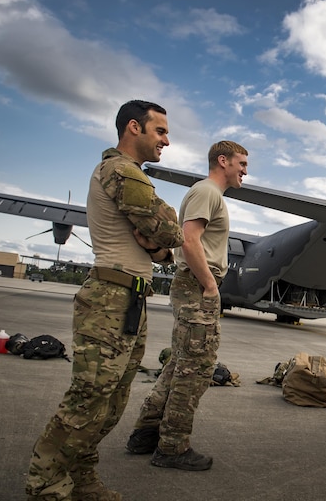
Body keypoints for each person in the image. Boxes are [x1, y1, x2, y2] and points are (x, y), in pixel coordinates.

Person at [26, 100, 184, 501]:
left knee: (112, 402)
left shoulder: (132, 175)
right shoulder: (120, 170)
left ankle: (81, 478)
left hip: (132, 298)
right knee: (88, 397)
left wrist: (160, 247)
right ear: (134, 127)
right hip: (110, 298)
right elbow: (167, 229)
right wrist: (163, 241)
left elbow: (163, 245)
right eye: (160, 130)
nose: (167, 139)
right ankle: (44, 485)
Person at [126, 140, 249, 471]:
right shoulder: (208, 192)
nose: (245, 170)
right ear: (222, 161)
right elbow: (190, 240)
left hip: (191, 285)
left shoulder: (208, 193)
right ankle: (172, 446)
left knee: (180, 364)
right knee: (196, 370)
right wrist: (210, 284)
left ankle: (146, 432)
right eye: (241, 163)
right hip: (197, 286)